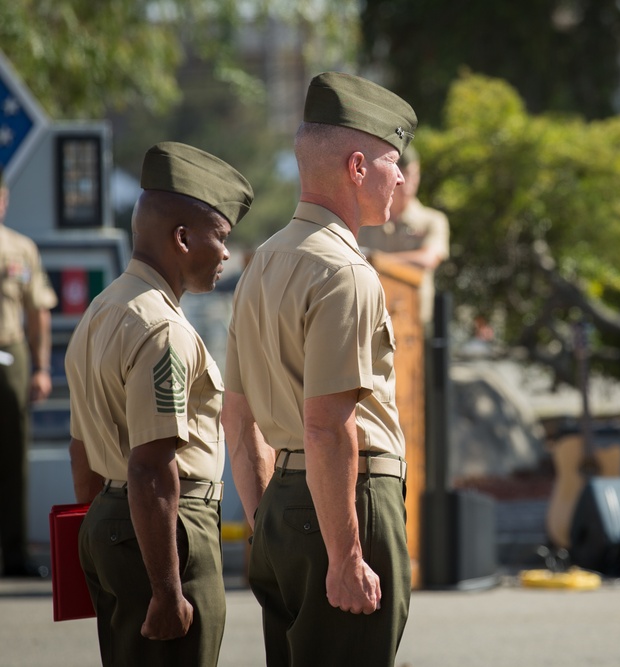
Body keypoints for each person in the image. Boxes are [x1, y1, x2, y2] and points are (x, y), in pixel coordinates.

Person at [222, 71, 416, 667]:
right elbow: (329, 427)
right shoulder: (344, 272)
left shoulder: (263, 262)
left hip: (284, 499)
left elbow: (236, 414)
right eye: (393, 162)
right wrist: (346, 555)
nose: (402, 179)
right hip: (347, 499)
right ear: (357, 168)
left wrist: (267, 519)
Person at [65, 142, 253, 666]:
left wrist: (97, 540)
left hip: (113, 523)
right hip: (168, 536)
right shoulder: (163, 330)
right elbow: (151, 467)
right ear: (182, 238)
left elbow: (81, 449)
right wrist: (168, 590)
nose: (225, 255)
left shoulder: (102, 310)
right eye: (220, 238)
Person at [0, 169, 58, 578]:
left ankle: (15, 553)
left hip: (9, 352)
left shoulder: (20, 249)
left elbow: (38, 313)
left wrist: (40, 367)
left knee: (13, 456)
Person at [357, 144, 449, 325]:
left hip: (414, 325)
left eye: (413, 174)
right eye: (402, 173)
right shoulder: (366, 220)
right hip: (372, 320)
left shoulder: (432, 220)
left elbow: (428, 259)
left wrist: (374, 260)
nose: (408, 182)